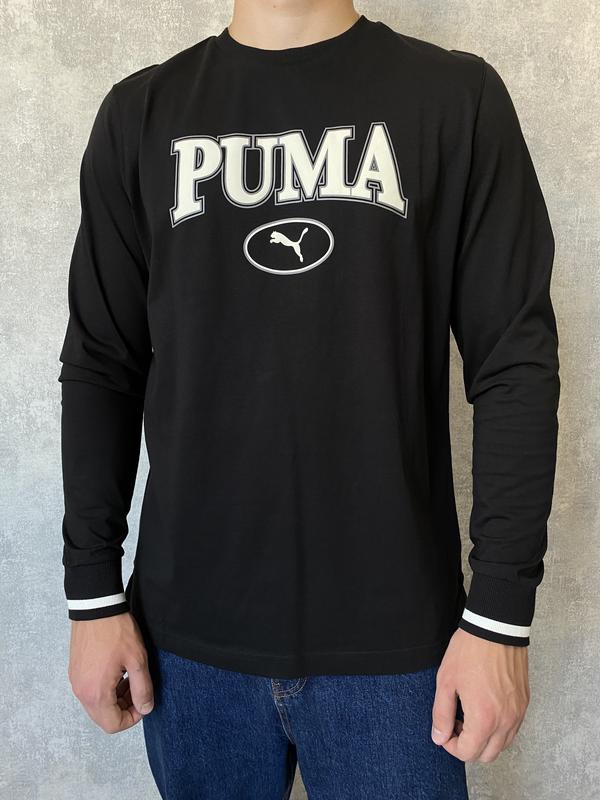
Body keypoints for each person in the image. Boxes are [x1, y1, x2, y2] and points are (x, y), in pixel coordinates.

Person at [58, 1, 560, 798]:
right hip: (188, 646)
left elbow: (513, 363)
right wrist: (92, 594)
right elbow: (101, 363)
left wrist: (501, 614)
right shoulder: (141, 114)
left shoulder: (454, 99)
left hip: (399, 646)